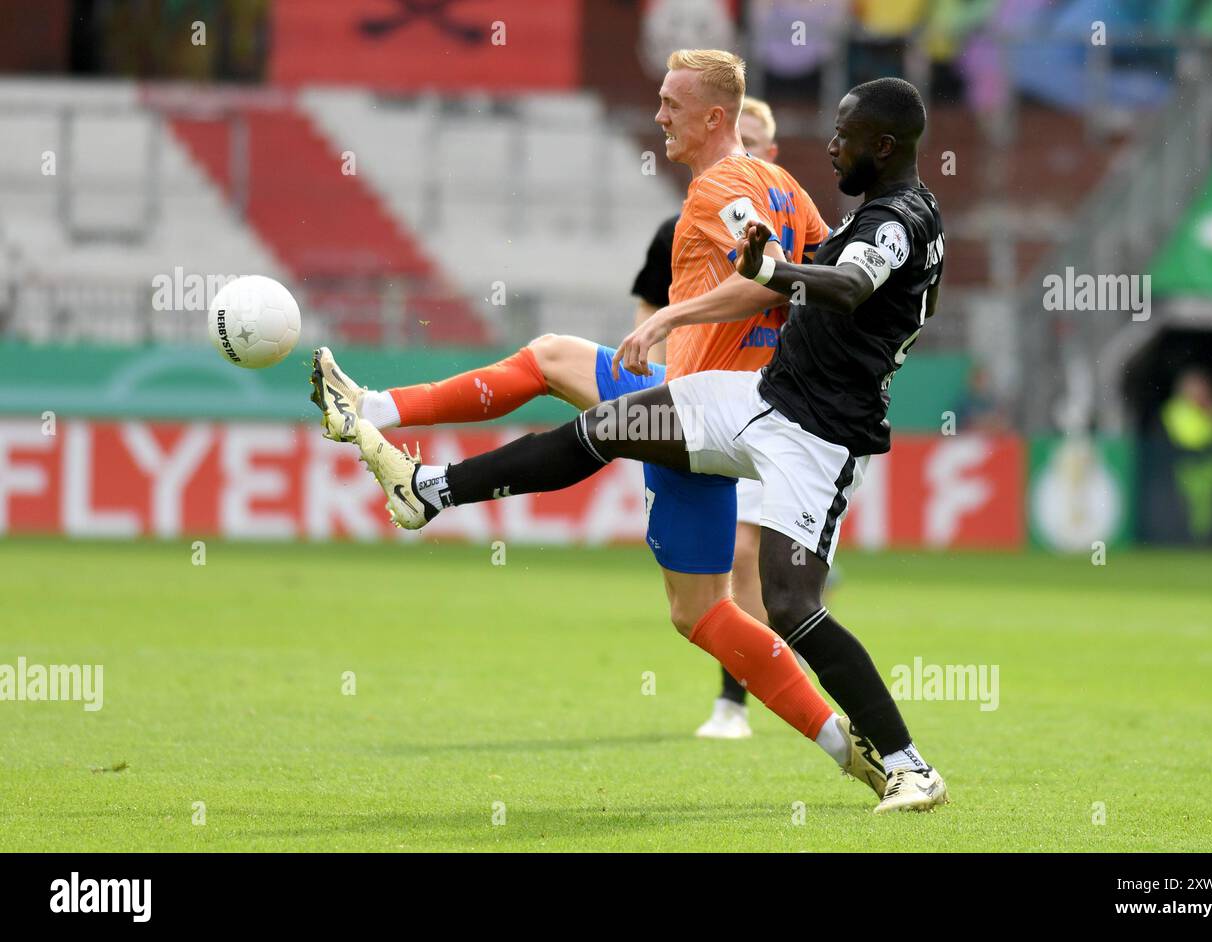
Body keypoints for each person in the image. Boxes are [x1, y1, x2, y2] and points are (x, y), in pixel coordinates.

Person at [323, 77, 950, 814]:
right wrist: (753, 277)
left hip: (814, 437)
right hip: (756, 398)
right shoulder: (870, 212)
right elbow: (811, 279)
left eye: (845, 135)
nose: (832, 145)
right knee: (611, 427)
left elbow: (846, 286)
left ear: (884, 145)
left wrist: (764, 273)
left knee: (788, 602)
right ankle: (428, 491)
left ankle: (908, 763)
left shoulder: (895, 221)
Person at [630, 95, 784, 739]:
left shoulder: (787, 226)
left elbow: (795, 289)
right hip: (702, 404)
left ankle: (741, 697)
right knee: (728, 565)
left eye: (752, 139)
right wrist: (653, 372)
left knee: (758, 561)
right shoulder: (678, 229)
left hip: (773, 404)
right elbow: (646, 307)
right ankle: (738, 696)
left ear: (766, 153)